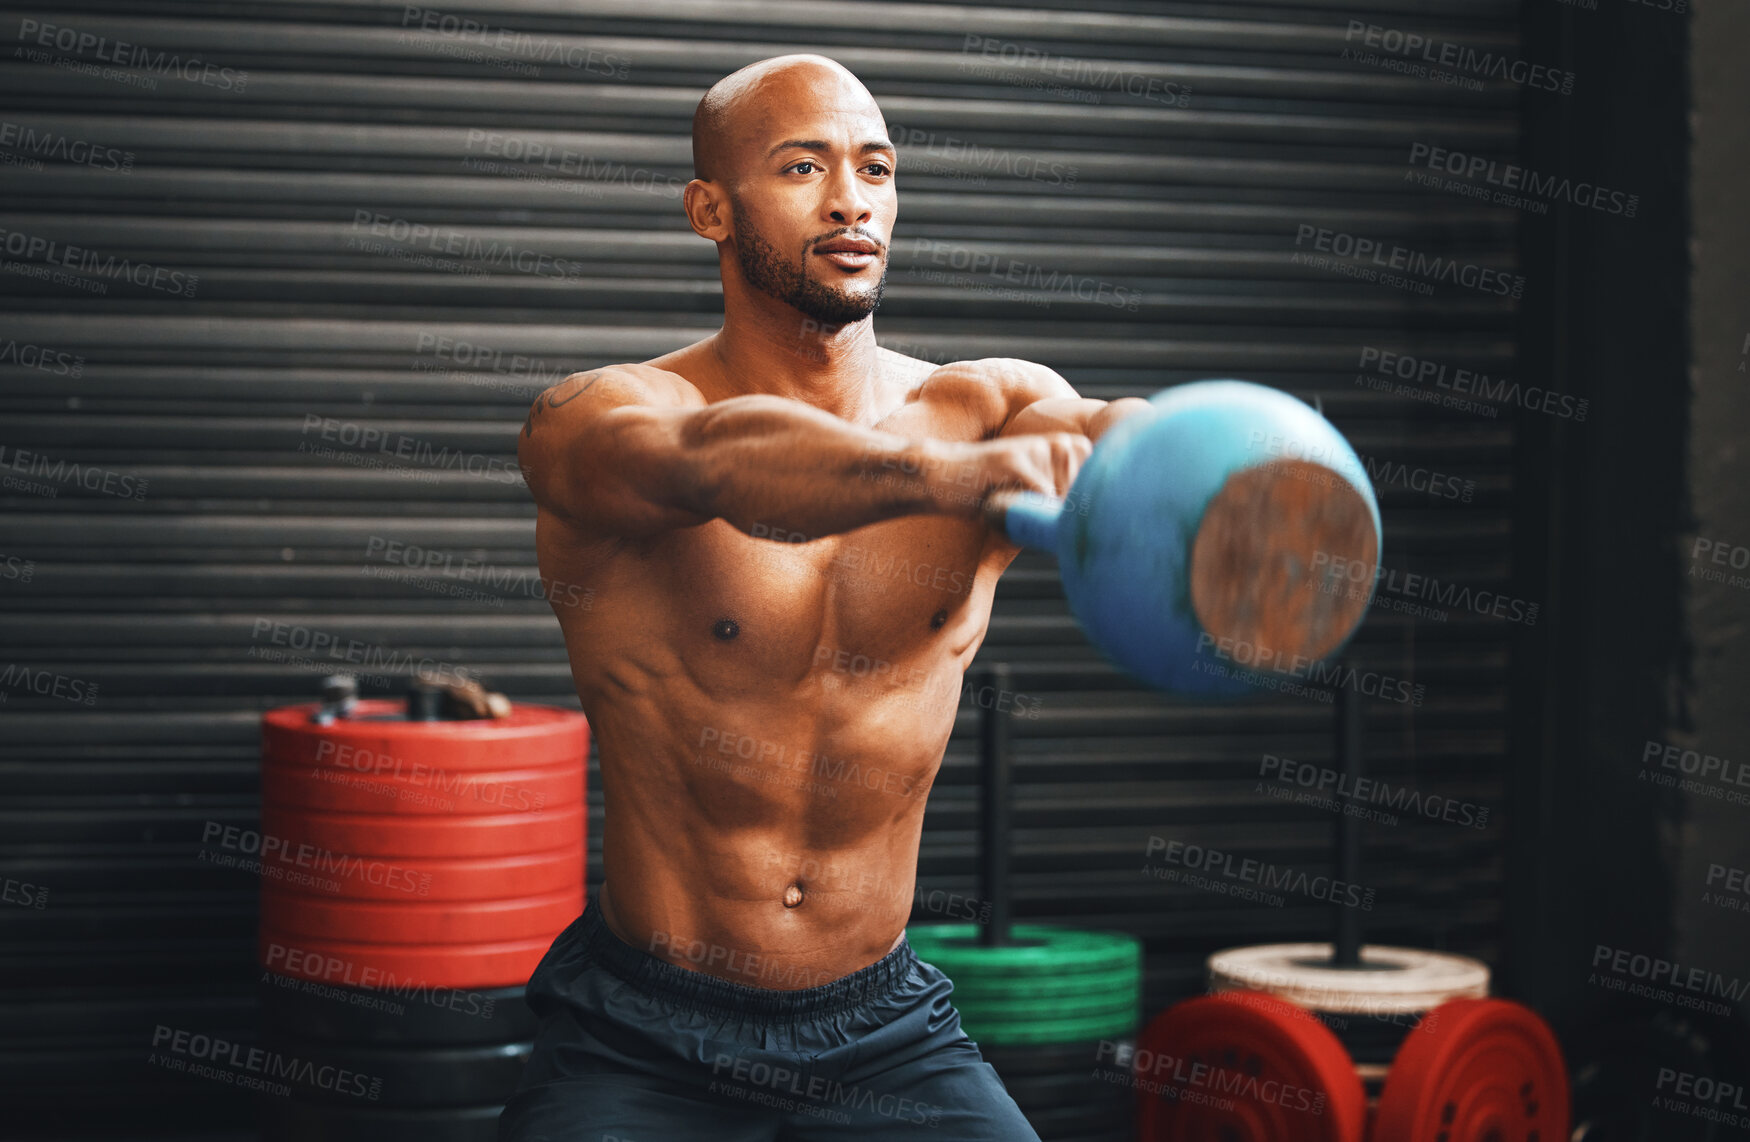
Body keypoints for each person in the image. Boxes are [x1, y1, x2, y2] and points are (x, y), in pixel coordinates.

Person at [501, 52, 1152, 1142]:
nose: (851, 198)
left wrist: (1189, 468)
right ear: (710, 206)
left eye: (876, 168)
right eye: (801, 167)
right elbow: (720, 465)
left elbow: (1106, 433)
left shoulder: (992, 408)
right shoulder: (597, 417)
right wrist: (947, 480)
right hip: (644, 1031)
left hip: (882, 1029)